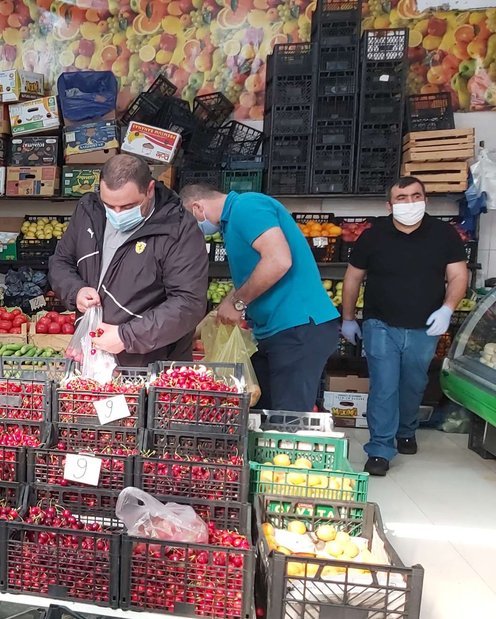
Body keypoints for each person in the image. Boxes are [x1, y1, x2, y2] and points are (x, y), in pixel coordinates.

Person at [340, 177, 469, 476]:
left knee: (413, 384)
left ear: (426, 200)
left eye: (415, 196)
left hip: (425, 326)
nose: (410, 203)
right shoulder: (373, 236)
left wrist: (447, 309)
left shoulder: (444, 234)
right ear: (389, 205)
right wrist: (348, 318)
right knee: (384, 385)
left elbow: (458, 275)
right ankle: (380, 448)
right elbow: (353, 278)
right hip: (380, 324)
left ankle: (406, 429)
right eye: (402, 198)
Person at [179, 184, 339, 411]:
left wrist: (238, 303)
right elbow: (253, 276)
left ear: (197, 208)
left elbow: (278, 260)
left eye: (190, 222)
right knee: (258, 411)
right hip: (274, 332)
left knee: (287, 419)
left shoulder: (247, 207)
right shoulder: (230, 224)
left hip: (298, 326)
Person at [48, 154, 209, 367]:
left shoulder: (178, 229)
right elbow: (60, 261)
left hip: (153, 365)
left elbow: (188, 303)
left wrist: (126, 336)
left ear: (149, 190)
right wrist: (75, 291)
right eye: (109, 205)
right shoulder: (89, 210)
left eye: (127, 207)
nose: (117, 213)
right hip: (92, 357)